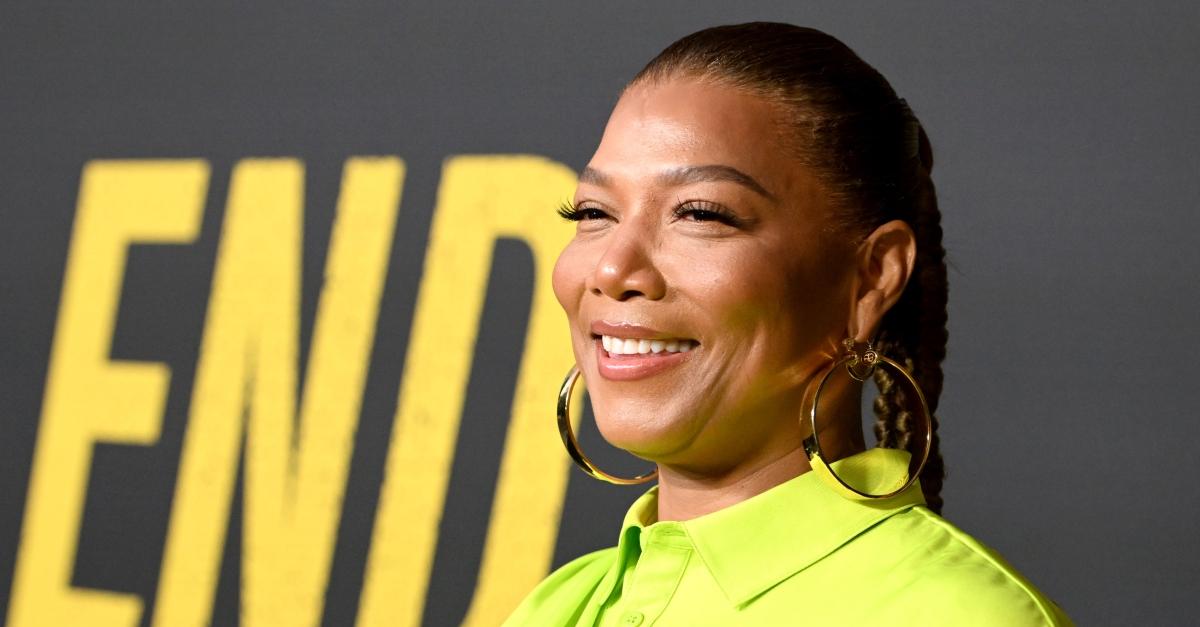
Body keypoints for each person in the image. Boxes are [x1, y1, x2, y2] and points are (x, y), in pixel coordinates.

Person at [505, 22, 1071, 626]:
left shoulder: (961, 616)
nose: (614, 267)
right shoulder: (558, 606)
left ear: (872, 278)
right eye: (593, 212)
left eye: (700, 214)